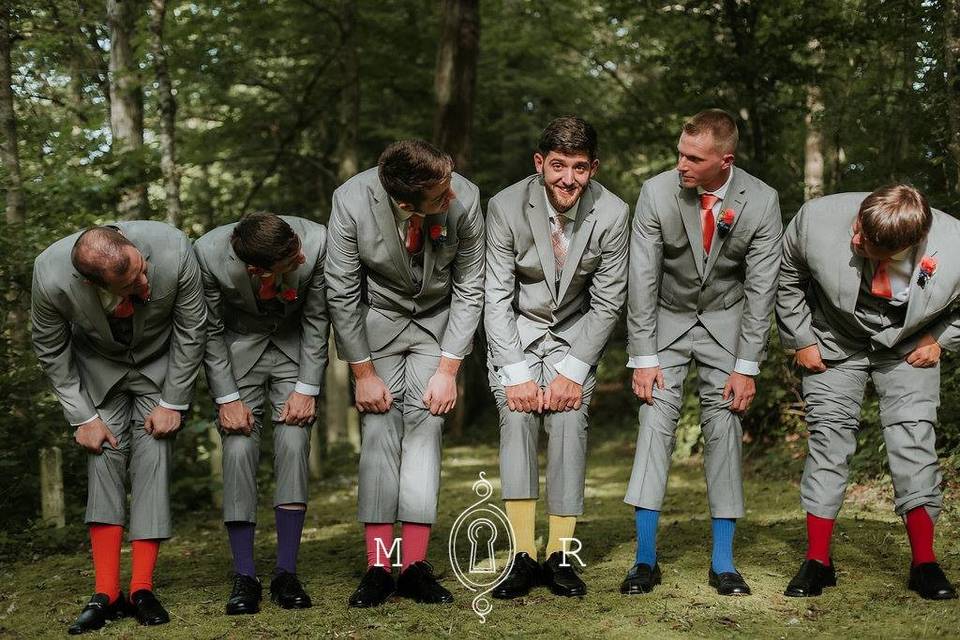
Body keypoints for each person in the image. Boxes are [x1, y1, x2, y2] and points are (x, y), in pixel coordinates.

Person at [622, 109, 782, 596]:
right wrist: (643, 357)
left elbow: (761, 289)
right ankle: (645, 561)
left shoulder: (763, 200)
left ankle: (723, 562)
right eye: (679, 152)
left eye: (693, 157)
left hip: (727, 323)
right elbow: (643, 279)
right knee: (654, 423)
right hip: (666, 321)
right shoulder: (656, 192)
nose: (681, 164)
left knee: (724, 428)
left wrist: (747, 366)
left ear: (725, 160)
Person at [776, 184, 959, 600]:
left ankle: (925, 563)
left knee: (914, 439)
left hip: (910, 344)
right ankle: (817, 561)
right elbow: (787, 278)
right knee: (828, 439)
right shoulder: (816, 220)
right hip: (833, 340)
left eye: (866, 241)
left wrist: (941, 339)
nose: (854, 239)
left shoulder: (956, 248)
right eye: (857, 228)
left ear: (907, 244)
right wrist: (801, 339)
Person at [325, 140, 484, 607]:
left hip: (439, 325)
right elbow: (342, 292)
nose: (451, 197)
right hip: (380, 325)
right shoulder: (350, 202)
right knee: (379, 432)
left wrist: (448, 369)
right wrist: (362, 374)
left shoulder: (466, 200)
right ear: (404, 203)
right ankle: (378, 566)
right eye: (440, 195)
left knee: (427, 428)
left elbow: (471, 286)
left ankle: (414, 565)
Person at [31, 222, 206, 633]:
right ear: (91, 282)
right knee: (103, 460)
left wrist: (172, 402)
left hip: (160, 368)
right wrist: (83, 417)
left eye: (141, 269)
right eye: (131, 283)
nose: (144, 280)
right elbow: (50, 347)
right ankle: (106, 593)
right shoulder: (50, 274)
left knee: (154, 457)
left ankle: (142, 588)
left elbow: (192, 328)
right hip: (99, 369)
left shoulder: (174, 248)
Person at [485, 116, 629, 599]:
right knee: (517, 424)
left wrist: (573, 370)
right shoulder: (504, 206)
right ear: (539, 163)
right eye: (559, 166)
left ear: (594, 168)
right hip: (516, 335)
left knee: (569, 426)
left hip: (575, 336)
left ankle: (561, 555)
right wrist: (517, 374)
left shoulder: (612, 212)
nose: (569, 179)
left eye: (581, 168)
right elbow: (495, 297)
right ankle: (523, 555)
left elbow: (608, 301)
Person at [194, 212, 328, 614]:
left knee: (293, 442)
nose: (300, 259)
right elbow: (210, 330)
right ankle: (245, 574)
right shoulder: (206, 255)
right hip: (237, 356)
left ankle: (286, 572)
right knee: (237, 450)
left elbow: (319, 317)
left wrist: (307, 389)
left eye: (297, 250)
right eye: (290, 262)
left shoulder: (317, 242)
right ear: (256, 269)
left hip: (294, 351)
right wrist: (226, 398)